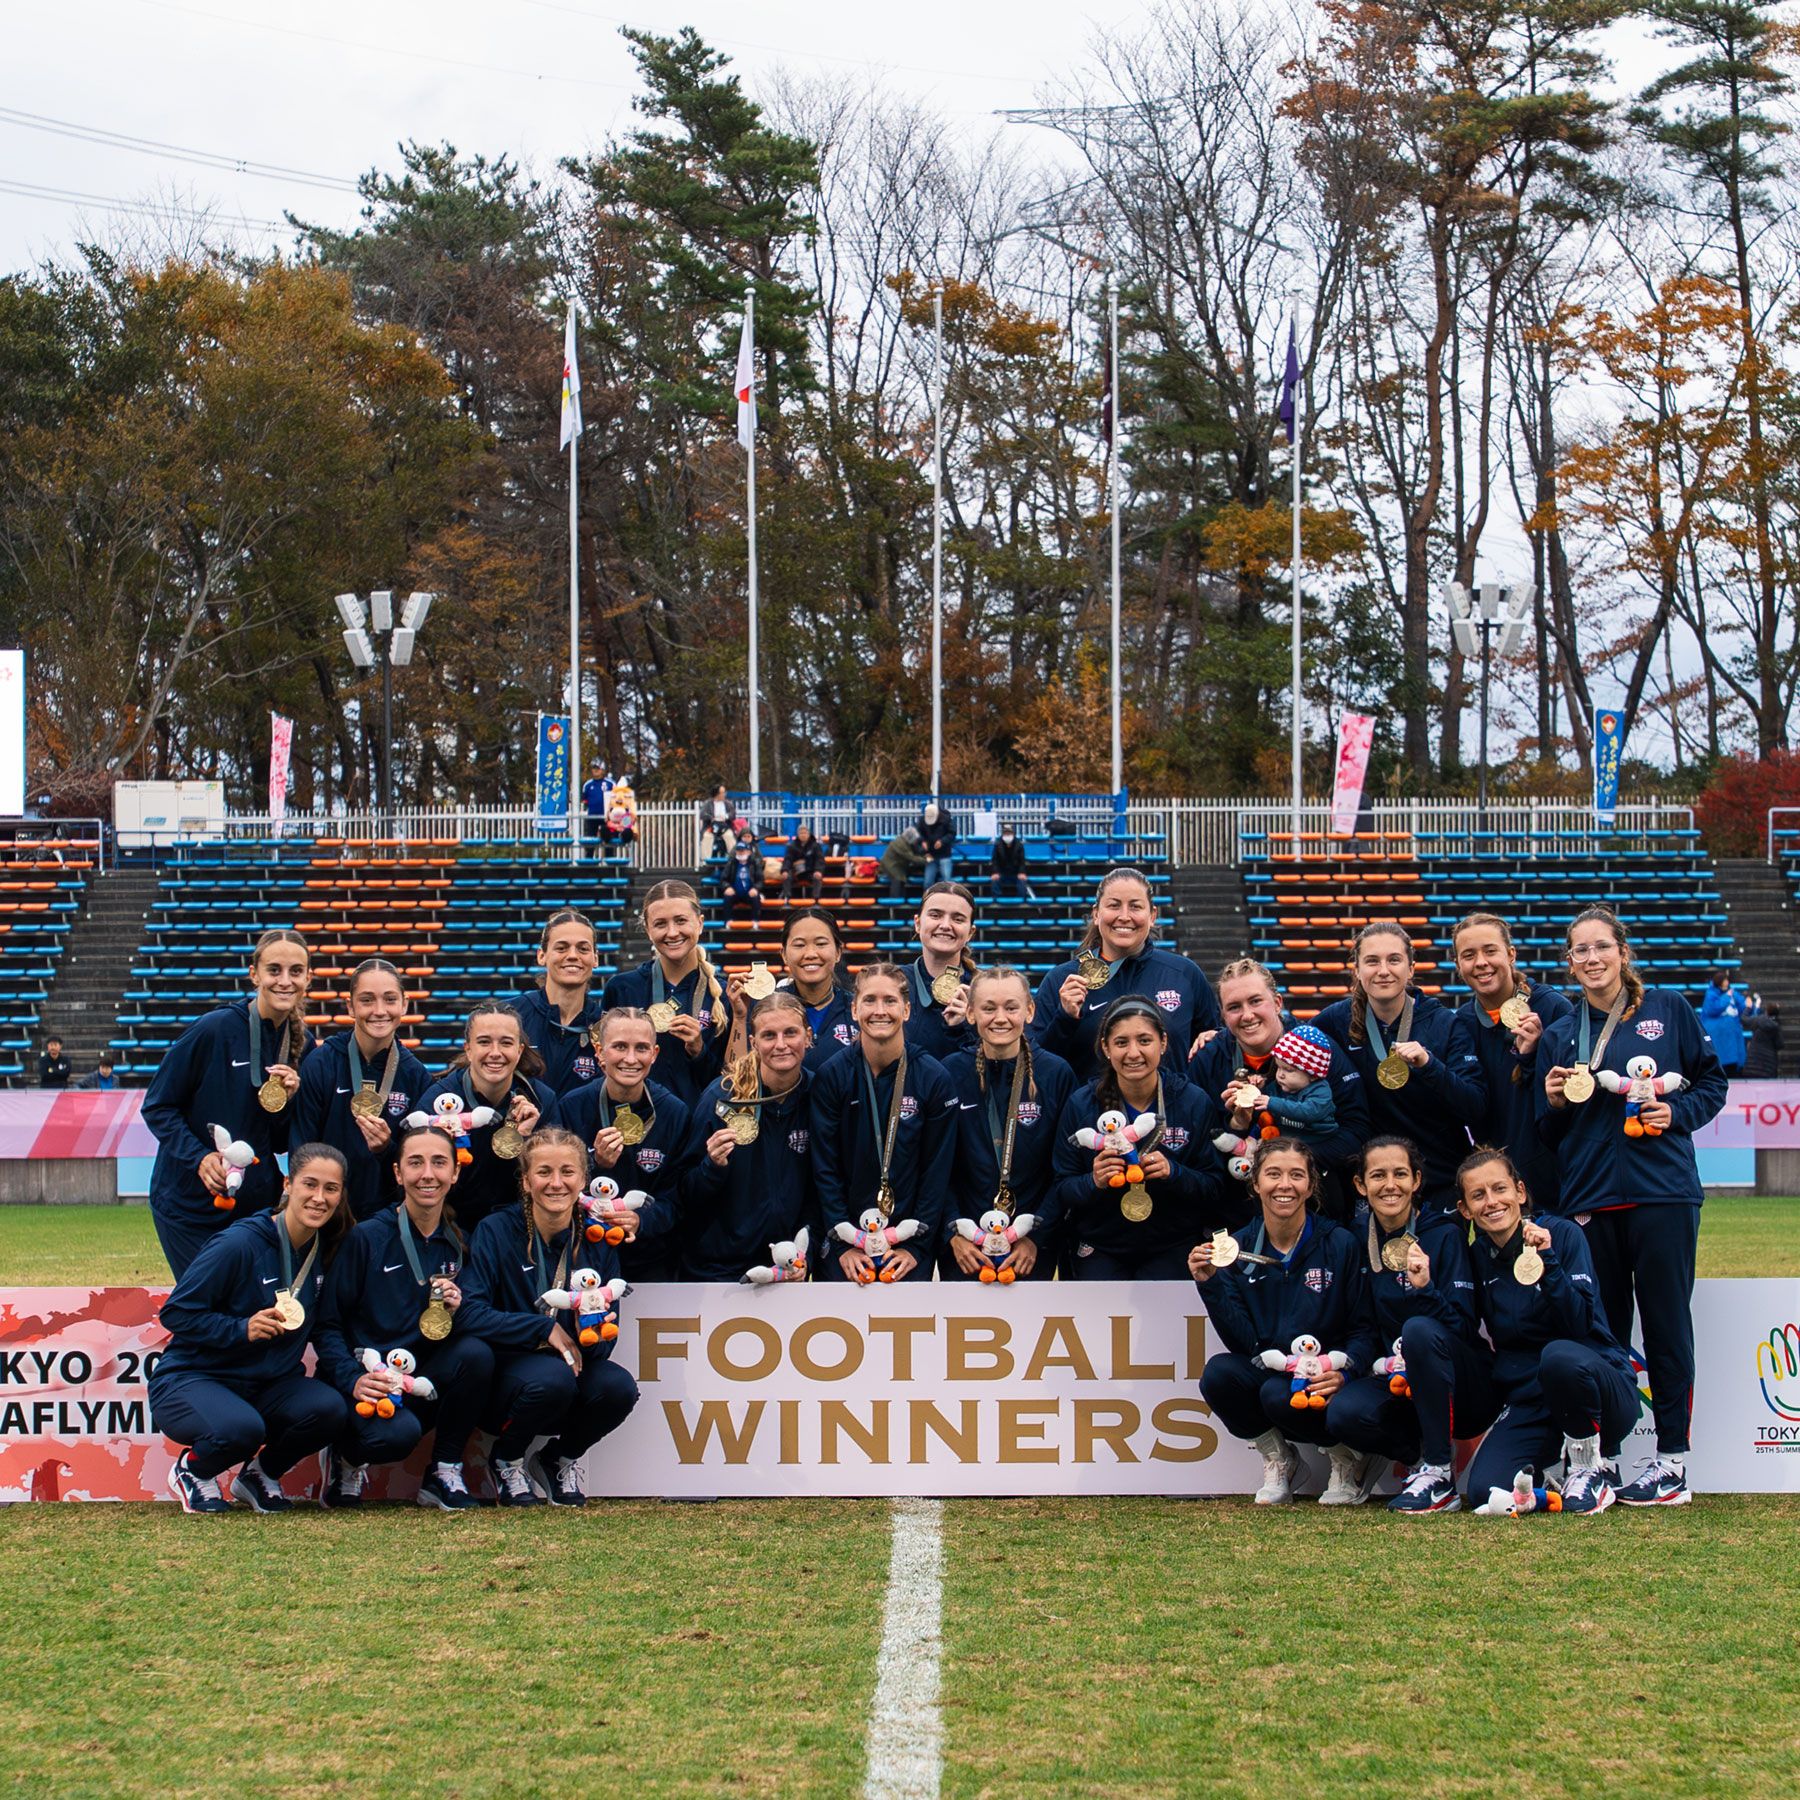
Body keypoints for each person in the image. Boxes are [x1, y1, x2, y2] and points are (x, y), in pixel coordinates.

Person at [1538, 906, 1727, 1507]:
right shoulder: (1559, 1034)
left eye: (1601, 947)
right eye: (1579, 951)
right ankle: (1607, 1462)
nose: (1591, 959)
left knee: (1668, 1328)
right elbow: (1547, 1133)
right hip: (1591, 1199)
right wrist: (1553, 1102)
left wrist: (1678, 1115)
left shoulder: (1667, 1009)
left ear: (1623, 952)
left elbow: (1711, 1083)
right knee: (1603, 1334)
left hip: (1663, 1193)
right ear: (1569, 963)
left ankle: (1672, 1463)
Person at [150, 1144, 350, 1513]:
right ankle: (193, 1471)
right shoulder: (239, 1243)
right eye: (310, 1184)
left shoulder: (326, 1248)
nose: (319, 1198)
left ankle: (259, 1476)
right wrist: (241, 1329)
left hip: (267, 1384)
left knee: (330, 1409)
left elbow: (325, 1327)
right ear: (288, 1184)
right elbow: (176, 1314)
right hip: (196, 1378)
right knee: (242, 1429)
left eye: (331, 1189)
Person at [1190, 1136, 1380, 1504]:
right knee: (1220, 1375)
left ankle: (1346, 1457)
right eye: (1273, 1174)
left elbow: (1363, 1326)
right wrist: (1209, 1284)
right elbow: (1243, 1343)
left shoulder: (1339, 1242)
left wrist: (1347, 1371)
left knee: (1277, 1395)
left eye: (1296, 1175)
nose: (1285, 1185)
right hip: (1277, 1368)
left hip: (1327, 1373)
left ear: (1310, 1185)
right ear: (1255, 1182)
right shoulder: (1238, 1249)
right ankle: (1281, 1459)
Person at [313, 1124, 493, 1511]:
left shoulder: (459, 1241)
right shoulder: (365, 1238)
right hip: (366, 1380)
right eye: (415, 1163)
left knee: (477, 1355)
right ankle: (347, 1458)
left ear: (455, 1172)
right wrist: (353, 1379)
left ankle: (444, 1472)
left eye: (439, 1163)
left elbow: (475, 1317)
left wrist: (460, 1308)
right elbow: (327, 1324)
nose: (428, 1174)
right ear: (398, 1173)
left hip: (416, 1381)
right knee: (394, 1436)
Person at [458, 1127, 638, 1507]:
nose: (556, 1183)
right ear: (525, 1181)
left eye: (567, 1172)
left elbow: (607, 1332)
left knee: (619, 1387)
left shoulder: (597, 1238)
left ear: (583, 1180)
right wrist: (542, 1327)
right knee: (551, 1379)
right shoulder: (496, 1230)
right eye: (543, 1172)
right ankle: (506, 1459)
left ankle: (559, 1458)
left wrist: (585, 1331)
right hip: (507, 1375)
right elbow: (470, 1314)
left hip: (570, 1368)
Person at [1457, 1147, 1641, 1514]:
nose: (1492, 1202)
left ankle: (1592, 1468)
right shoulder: (1477, 1257)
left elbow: (1578, 1324)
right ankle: (1548, 1487)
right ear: (1465, 1210)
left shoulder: (1562, 1234)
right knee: (1483, 1490)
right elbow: (1460, 1324)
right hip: (1533, 1402)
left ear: (1520, 1192)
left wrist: (1549, 1261)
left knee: (1558, 1355)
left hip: (1598, 1394)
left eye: (1500, 1189)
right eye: (1478, 1195)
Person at [1323, 1136, 1492, 1514]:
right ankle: (1417, 1457)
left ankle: (1439, 1475)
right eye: (1378, 1175)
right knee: (1343, 1414)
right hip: (1395, 1377)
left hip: (1459, 1382)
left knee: (1418, 1329)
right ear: (1360, 1185)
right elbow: (1362, 1326)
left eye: (1400, 1174)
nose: (1390, 1185)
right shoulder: (1354, 1238)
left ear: (1416, 1180)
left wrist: (1426, 1289)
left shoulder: (1443, 1233)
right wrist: (1349, 1371)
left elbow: (1463, 1326)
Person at [142, 928, 312, 1277]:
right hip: (189, 1208)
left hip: (252, 1212)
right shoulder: (215, 1029)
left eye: (295, 971)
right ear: (254, 974)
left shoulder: (303, 1044)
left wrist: (290, 1102)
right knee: (208, 1310)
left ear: (308, 977)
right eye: (274, 970)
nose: (285, 980)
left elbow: (277, 1140)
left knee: (247, 1314)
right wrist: (199, 1157)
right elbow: (158, 1106)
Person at [1050, 996, 1235, 1279]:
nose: (1133, 1053)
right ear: (1105, 1048)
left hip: (1173, 1245)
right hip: (1101, 1246)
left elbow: (1214, 1187)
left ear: (1162, 1043)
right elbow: (1062, 1188)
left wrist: (1174, 1172)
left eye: (1144, 1040)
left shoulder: (1192, 1102)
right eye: (1121, 1042)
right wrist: (1093, 1181)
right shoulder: (1082, 1104)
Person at [1313, 920, 1485, 1218]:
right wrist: (1217, 1037)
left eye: (1394, 960)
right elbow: (1287, 1044)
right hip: (1373, 1186)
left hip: (1438, 1182)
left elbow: (1476, 1106)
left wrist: (1430, 1066)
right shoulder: (1332, 1022)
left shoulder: (1444, 1024)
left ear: (1411, 968)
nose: (1383, 970)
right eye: (1371, 961)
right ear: (1356, 970)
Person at [810, 963, 959, 1283]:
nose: (880, 1010)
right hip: (845, 1244)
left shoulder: (933, 1078)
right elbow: (824, 1166)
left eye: (890, 1001)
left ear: (906, 1010)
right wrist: (840, 1243)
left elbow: (937, 1171)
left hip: (906, 1246)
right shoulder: (832, 1076)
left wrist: (917, 1247)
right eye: (870, 1000)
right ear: (854, 1009)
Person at [1188, 958, 1369, 1217]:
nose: (1247, 1015)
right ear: (1223, 1016)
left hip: (1315, 1205)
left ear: (1277, 1003)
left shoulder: (1317, 1049)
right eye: (1234, 1007)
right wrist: (1236, 1127)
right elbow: (1197, 1148)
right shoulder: (1208, 1059)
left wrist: (1291, 1158)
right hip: (1240, 1211)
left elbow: (1357, 1131)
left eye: (1255, 1001)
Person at [939, 967, 1075, 1281]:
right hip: (965, 1247)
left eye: (1011, 1007)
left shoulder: (1055, 1074)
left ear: (1029, 1011)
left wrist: (1036, 1236)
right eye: (988, 1008)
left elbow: (1065, 1169)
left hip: (1029, 1246)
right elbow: (936, 1165)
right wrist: (953, 1232)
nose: (1000, 1018)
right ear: (971, 1014)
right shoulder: (950, 1073)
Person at [1031, 866, 1222, 1081]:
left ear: (1152, 916)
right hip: (1089, 1112)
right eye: (1114, 905)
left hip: (1171, 1111)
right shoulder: (1062, 981)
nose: (1124, 916)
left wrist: (1215, 1038)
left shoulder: (1185, 974)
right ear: (1096, 914)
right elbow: (1035, 1065)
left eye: (1135, 907)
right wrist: (1064, 1019)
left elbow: (1217, 1049)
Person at [679, 991, 816, 1281]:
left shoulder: (820, 1095)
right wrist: (712, 1167)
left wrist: (807, 1252)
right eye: (769, 1036)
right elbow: (684, 1192)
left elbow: (827, 1183)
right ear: (753, 1043)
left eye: (790, 1033)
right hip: (720, 1269)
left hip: (788, 1265)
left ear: (807, 1036)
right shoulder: (721, 1098)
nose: (781, 1045)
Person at [557, 1008, 693, 1282]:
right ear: (600, 1052)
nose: (630, 1059)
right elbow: (554, 1185)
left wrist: (642, 1220)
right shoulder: (572, 1106)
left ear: (654, 1054)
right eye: (620, 1047)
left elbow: (678, 1198)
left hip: (650, 1260)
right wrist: (593, 1162)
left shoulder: (674, 1113)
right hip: (583, 1256)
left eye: (641, 1048)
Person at [1451, 912, 1573, 1216]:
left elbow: (1569, 1100)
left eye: (1490, 951)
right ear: (1458, 965)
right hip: (1496, 1188)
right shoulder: (1460, 1024)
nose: (1481, 962)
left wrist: (1534, 1056)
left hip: (1555, 1181)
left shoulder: (1552, 1008)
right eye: (1469, 955)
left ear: (1511, 954)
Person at [293, 957, 431, 1223]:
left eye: (390, 999)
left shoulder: (416, 1075)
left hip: (388, 1219)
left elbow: (418, 1162)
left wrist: (386, 1149)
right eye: (367, 1000)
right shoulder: (321, 1064)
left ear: (404, 1004)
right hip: (326, 1214)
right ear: (350, 1006)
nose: (379, 1010)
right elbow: (302, 1147)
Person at [414, 1005, 559, 1233]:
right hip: (453, 1225)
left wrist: (527, 1140)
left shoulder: (541, 1100)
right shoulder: (439, 1102)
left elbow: (553, 1180)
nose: (495, 1052)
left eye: (506, 1043)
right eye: (484, 1042)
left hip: (519, 1227)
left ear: (519, 1050)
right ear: (468, 1049)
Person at [600, 880, 729, 1109]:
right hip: (638, 1125)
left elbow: (731, 1078)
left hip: (702, 1127)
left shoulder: (724, 995)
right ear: (648, 930)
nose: (672, 932)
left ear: (699, 923)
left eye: (681, 921)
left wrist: (699, 1051)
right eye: (660, 924)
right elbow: (605, 1066)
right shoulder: (621, 988)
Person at [723, 907, 856, 1074]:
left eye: (821, 944)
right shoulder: (763, 1007)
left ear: (838, 952)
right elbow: (733, 1078)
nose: (810, 953)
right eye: (799, 945)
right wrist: (740, 1018)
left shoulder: (857, 1009)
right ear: (784, 954)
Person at [1214, 1023, 1338, 1167]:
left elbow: (1309, 1111)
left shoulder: (1320, 1091)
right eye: (1278, 1067)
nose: (1280, 1075)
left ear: (1313, 1075)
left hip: (1316, 1144)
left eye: (1288, 1070)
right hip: (1284, 1141)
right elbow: (1264, 1101)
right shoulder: (1280, 1086)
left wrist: (1271, 1102)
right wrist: (1259, 1088)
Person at [512, 909, 606, 1096]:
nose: (572, 955)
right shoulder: (510, 1016)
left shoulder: (606, 1027)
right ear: (542, 955)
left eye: (583, 948)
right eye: (561, 948)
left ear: (595, 958)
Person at [903, 881, 978, 1064]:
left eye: (958, 919)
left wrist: (967, 1028)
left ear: (970, 932)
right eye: (935, 915)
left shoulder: (987, 989)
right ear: (918, 923)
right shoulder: (893, 984)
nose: (945, 925)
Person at [1700, 969, 1746, 1077]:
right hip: (1719, 1038)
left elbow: (1742, 1006)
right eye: (1725, 981)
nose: (1727, 983)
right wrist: (1726, 997)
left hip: (1732, 1037)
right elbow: (1713, 1009)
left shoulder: (1732, 993)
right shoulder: (1711, 994)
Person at [719, 840, 764, 924]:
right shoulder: (732, 863)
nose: (740, 852)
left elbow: (760, 880)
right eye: (738, 850)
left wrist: (755, 888)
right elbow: (723, 879)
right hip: (735, 892)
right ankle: (728, 921)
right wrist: (727, 887)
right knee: (727, 896)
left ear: (749, 852)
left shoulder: (754, 863)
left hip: (749, 892)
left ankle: (755, 921)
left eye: (742, 850)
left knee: (755, 897)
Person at [988, 823, 1036, 901]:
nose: (1007, 835)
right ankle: (997, 901)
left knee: (1022, 881)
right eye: (1005, 833)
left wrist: (1022, 872)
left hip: (1015, 873)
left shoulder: (1019, 844)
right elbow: (995, 860)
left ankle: (1021, 901)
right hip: (1002, 872)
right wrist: (995, 872)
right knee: (995, 880)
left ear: (1013, 833)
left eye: (1009, 833)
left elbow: (1022, 861)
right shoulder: (998, 844)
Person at [780, 824, 825, 904]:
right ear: (798, 834)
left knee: (817, 877)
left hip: (810, 871)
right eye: (801, 833)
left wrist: (818, 870)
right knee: (786, 876)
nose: (803, 835)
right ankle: (787, 898)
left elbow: (819, 860)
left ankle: (816, 899)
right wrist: (785, 870)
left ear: (808, 834)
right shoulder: (792, 846)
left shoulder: (815, 846)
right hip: (796, 872)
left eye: (805, 833)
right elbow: (788, 860)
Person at [879, 826, 928, 898]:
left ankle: (900, 898)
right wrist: (926, 860)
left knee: (902, 878)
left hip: (898, 865)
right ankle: (895, 900)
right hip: (891, 866)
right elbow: (912, 858)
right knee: (898, 879)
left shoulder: (904, 841)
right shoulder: (900, 844)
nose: (915, 841)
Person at [918, 801, 956, 885]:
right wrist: (923, 841)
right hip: (930, 855)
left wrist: (942, 841)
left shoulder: (947, 820)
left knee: (947, 880)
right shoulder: (922, 821)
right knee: (927, 882)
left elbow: (952, 834)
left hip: (944, 854)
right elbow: (919, 833)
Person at [696, 783, 733, 865]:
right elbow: (703, 814)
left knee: (730, 836)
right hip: (711, 826)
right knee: (706, 837)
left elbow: (733, 814)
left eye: (724, 792)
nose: (724, 794)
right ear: (717, 794)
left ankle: (732, 860)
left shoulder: (728, 803)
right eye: (722, 793)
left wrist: (726, 817)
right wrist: (712, 818)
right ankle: (706, 861)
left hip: (724, 826)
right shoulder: (708, 803)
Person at [1745, 999, 1783, 1078]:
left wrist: (1748, 1008)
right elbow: (1780, 1044)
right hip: (1769, 1064)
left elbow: (1744, 1019)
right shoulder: (1776, 1027)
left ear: (1766, 1011)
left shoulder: (1758, 1020)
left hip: (1753, 1062)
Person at [581, 762, 612, 847]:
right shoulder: (587, 785)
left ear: (602, 770)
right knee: (590, 842)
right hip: (592, 817)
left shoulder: (610, 783)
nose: (595, 770)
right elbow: (584, 800)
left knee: (608, 842)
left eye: (597, 768)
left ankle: (609, 859)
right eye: (594, 768)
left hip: (606, 817)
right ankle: (589, 859)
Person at [602, 775, 638, 847]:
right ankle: (610, 836)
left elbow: (633, 815)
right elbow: (607, 815)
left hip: (626, 822)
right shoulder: (611, 800)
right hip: (612, 823)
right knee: (605, 829)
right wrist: (614, 825)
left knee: (628, 831)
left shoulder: (630, 800)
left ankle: (624, 835)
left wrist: (623, 824)